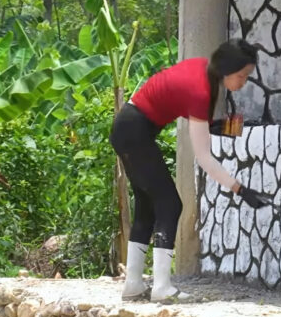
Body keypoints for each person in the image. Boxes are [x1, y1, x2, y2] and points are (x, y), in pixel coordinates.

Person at [110, 38, 270, 302]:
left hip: (128, 126)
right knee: (170, 205)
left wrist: (215, 126)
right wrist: (242, 190)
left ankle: (134, 284)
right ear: (228, 70)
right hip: (135, 130)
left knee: (148, 206)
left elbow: (177, 100)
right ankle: (161, 287)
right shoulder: (201, 91)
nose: (243, 83)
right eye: (242, 76)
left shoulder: (201, 69)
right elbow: (205, 159)